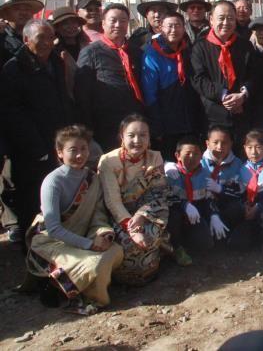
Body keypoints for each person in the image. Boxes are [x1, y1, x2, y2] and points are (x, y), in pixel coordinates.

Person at [26, 125, 123, 311]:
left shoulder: (92, 179)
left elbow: (98, 215)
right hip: (52, 243)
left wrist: (103, 235)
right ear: (60, 152)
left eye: (83, 149)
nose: (79, 155)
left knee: (116, 251)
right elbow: (53, 228)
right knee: (96, 263)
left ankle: (83, 286)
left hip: (83, 237)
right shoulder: (52, 181)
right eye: (73, 150)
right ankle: (82, 295)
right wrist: (89, 245)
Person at [0, 19, 75, 237]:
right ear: (26, 39)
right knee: (32, 199)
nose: (46, 43)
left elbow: (63, 99)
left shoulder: (55, 61)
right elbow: (12, 114)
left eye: (50, 38)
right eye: (40, 38)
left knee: (56, 196)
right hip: (30, 148)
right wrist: (36, 147)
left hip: (57, 141)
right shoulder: (13, 69)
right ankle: (31, 245)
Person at [98, 115, 169, 286]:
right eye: (131, 135)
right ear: (122, 137)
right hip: (118, 215)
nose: (137, 141)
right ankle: (125, 279)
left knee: (153, 230)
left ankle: (151, 271)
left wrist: (141, 216)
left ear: (149, 137)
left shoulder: (155, 157)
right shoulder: (108, 161)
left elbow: (158, 193)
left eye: (143, 135)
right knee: (128, 242)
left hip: (146, 211)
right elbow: (112, 201)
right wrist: (132, 227)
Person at [191, 0, 263, 147]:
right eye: (221, 18)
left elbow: (255, 75)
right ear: (211, 19)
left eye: (230, 18)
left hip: (242, 114)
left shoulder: (245, 45)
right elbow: (198, 79)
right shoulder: (200, 46)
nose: (226, 22)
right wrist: (223, 95)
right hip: (212, 115)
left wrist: (242, 95)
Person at [75, 3, 144, 150]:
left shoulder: (136, 52)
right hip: (105, 125)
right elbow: (82, 94)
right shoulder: (91, 52)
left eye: (123, 21)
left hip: (135, 123)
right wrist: (87, 130)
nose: (118, 25)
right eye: (113, 20)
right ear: (103, 23)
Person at [141, 12, 201, 159]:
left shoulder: (189, 50)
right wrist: (156, 126)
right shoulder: (152, 53)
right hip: (167, 122)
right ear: (161, 28)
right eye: (170, 26)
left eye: (178, 25)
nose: (174, 30)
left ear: (184, 28)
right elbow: (149, 94)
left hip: (190, 120)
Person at [229, 129, 263, 257]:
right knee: (237, 244)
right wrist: (245, 206)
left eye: (258, 147)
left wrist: (258, 207)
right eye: (250, 148)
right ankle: (250, 235)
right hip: (248, 207)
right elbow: (238, 192)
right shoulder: (242, 169)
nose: (254, 152)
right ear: (244, 148)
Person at [163, 136, 215, 266]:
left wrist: (214, 215)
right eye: (187, 153)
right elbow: (166, 198)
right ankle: (176, 247)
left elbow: (208, 198)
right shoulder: (171, 173)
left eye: (196, 154)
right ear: (178, 155)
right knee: (173, 216)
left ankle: (187, 240)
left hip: (194, 214)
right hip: (176, 212)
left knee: (206, 244)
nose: (192, 157)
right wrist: (184, 204)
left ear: (201, 155)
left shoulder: (205, 174)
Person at [201, 126, 243, 243]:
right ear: (207, 143)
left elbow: (239, 192)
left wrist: (220, 189)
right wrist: (213, 214)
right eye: (215, 142)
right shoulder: (199, 163)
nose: (219, 147)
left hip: (227, 204)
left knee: (236, 208)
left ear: (231, 144)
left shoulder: (238, 164)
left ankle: (229, 236)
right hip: (207, 207)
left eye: (224, 143)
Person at [0, 0, 43, 67]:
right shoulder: (2, 37)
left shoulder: (39, 36)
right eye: (17, 9)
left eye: (27, 9)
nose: (23, 12)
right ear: (6, 14)